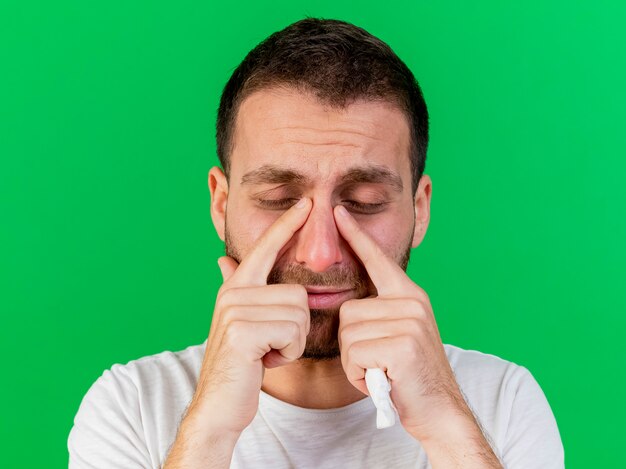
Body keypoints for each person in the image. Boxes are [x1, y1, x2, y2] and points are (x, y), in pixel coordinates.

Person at [67, 17, 564, 468]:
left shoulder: (503, 402)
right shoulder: (130, 404)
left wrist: (448, 427)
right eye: (280, 200)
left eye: (365, 201)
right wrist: (210, 431)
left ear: (419, 208)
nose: (321, 252)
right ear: (221, 204)